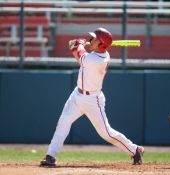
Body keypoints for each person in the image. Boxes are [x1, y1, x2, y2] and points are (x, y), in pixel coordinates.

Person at [40, 27, 144, 166]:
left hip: (92, 100)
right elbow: (77, 46)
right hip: (77, 95)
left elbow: (75, 49)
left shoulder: (95, 60)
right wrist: (84, 43)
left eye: (94, 39)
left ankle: (134, 149)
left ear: (101, 45)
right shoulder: (100, 53)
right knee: (63, 123)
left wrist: (80, 43)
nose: (91, 39)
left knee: (106, 133)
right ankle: (51, 156)